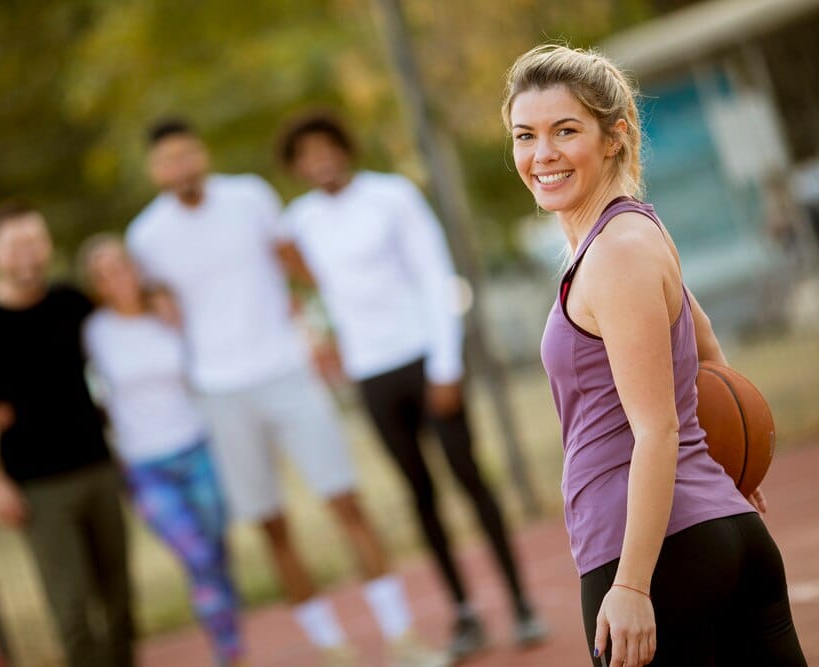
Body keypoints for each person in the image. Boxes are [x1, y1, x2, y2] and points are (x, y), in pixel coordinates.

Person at [503, 44, 807, 667]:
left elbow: (658, 426)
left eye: (566, 131)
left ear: (614, 137)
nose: (542, 155)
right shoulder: (638, 230)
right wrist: (731, 476)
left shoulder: (614, 254)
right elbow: (710, 354)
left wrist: (634, 584)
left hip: (655, 554)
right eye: (524, 135)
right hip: (726, 537)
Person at [125, 119, 448, 667]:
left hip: (287, 372)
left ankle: (402, 638)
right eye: (168, 160)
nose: (180, 166)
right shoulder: (145, 237)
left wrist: (324, 325)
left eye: (187, 153)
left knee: (347, 502)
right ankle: (332, 649)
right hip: (219, 392)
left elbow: (299, 266)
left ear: (201, 153)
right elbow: (153, 308)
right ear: (155, 170)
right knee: (272, 525)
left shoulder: (250, 196)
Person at [277, 112, 547, 659]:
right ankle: (465, 613)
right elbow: (292, 271)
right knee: (419, 494)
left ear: (344, 148)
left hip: (425, 360)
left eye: (327, 147)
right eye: (307, 154)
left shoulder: (391, 195)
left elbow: (434, 274)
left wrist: (447, 366)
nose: (320, 160)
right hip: (370, 375)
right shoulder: (299, 220)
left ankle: (520, 604)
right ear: (298, 166)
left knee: (469, 479)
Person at [0, 201, 134, 667]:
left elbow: (120, 350)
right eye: (15, 246)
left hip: (97, 465)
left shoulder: (72, 303)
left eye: (35, 241)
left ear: (47, 244)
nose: (28, 254)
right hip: (38, 486)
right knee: (71, 610)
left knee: (120, 598)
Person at [79, 234, 245, 667]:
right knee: (198, 556)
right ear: (97, 284)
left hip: (197, 448)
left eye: (122, 265)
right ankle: (227, 656)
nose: (118, 277)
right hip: (144, 464)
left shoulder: (168, 315)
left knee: (218, 555)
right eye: (105, 273)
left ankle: (230, 645)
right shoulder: (95, 333)